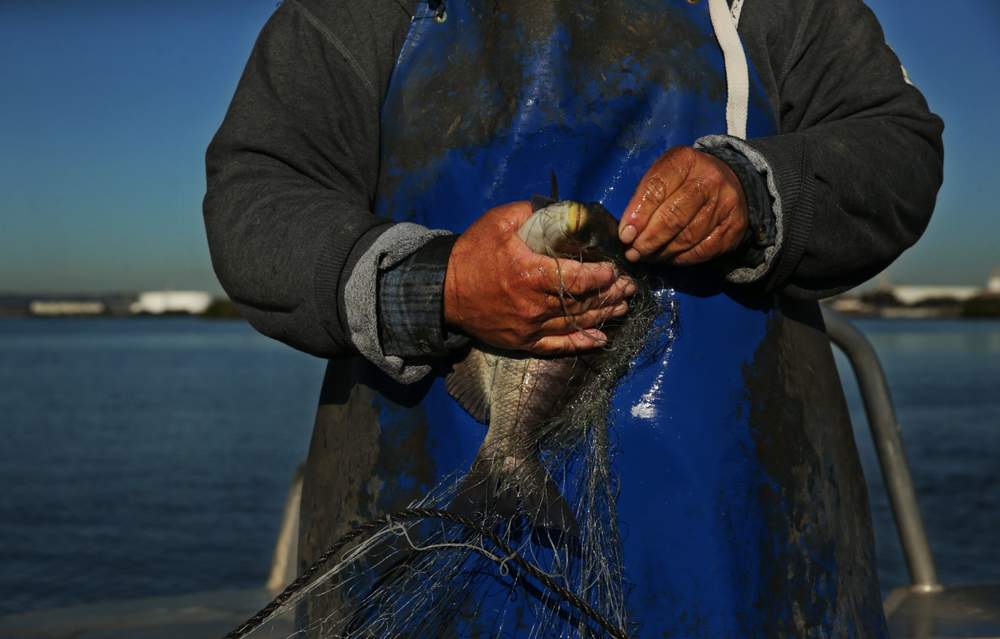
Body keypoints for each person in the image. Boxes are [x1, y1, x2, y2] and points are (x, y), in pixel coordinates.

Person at [204, 0, 943, 635]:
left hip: (746, 537)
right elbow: (254, 196)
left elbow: (895, 144)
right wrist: (438, 284)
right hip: (412, 523)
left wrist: (753, 190)